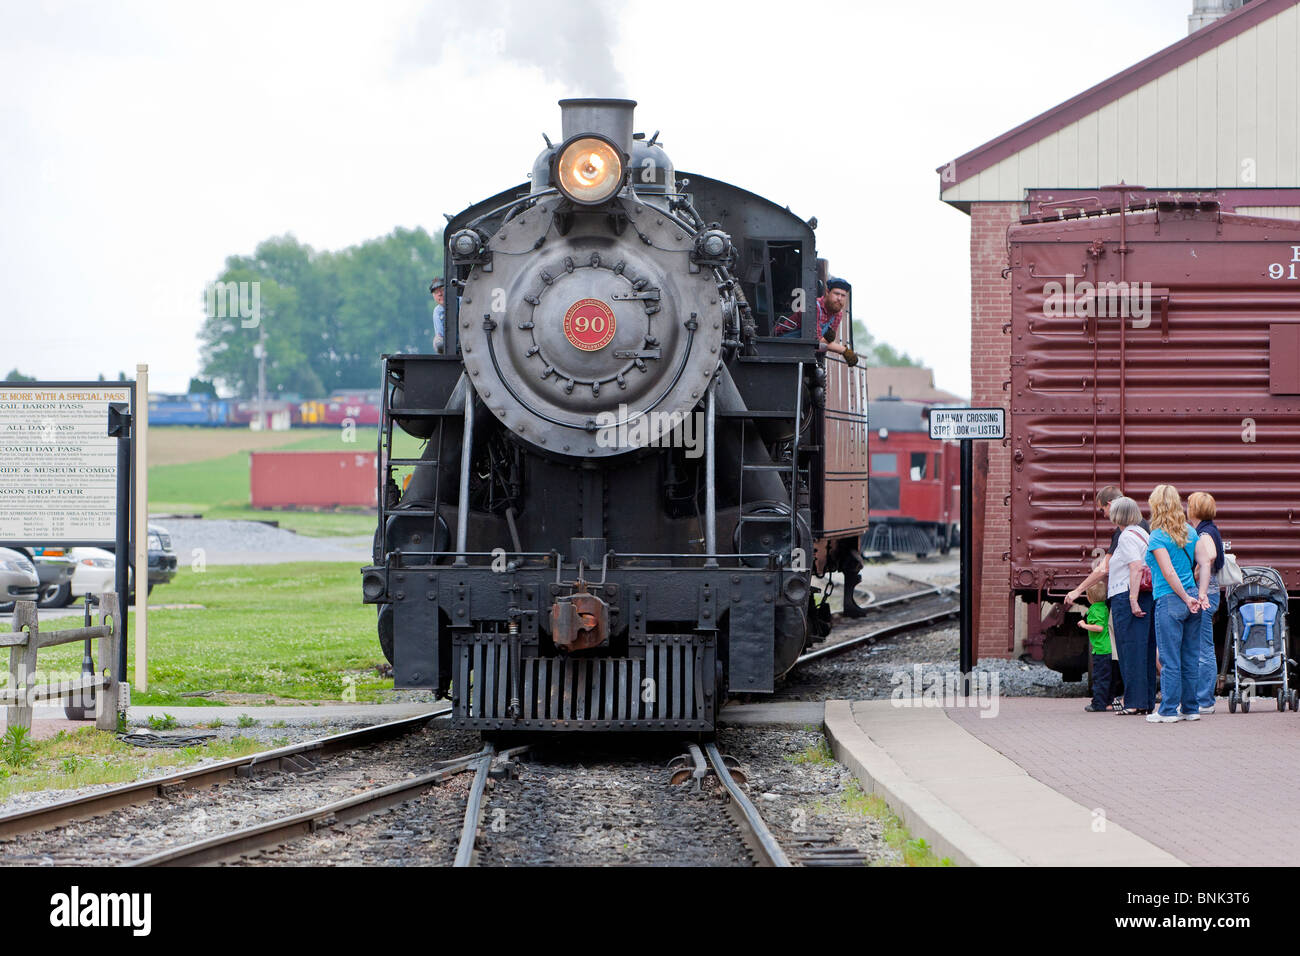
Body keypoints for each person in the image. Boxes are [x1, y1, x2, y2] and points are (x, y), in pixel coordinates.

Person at [1144, 484, 1205, 723]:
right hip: (1191, 596)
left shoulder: (1158, 535)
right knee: (1190, 656)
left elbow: (1168, 572)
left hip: (1171, 598)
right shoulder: (1191, 532)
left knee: (1169, 658)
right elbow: (1204, 563)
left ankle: (1168, 710)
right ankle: (1191, 708)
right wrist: (1197, 594)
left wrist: (1184, 597)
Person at [1107, 496, 1156, 715]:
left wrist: (1132, 599)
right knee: (1143, 649)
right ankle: (1144, 701)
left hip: (1127, 595)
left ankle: (1133, 702)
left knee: (1129, 649)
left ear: (1117, 515)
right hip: (1146, 595)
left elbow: (1136, 567)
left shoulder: (1126, 536)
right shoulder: (1142, 533)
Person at [1188, 492, 1225, 714]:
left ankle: (1205, 700)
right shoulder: (1208, 530)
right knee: (1201, 646)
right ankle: (1201, 697)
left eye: (1189, 505)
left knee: (1203, 648)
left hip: (1205, 596)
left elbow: (1209, 554)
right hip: (1209, 595)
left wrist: (1197, 570)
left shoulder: (1205, 533)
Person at [773, 278, 859, 366]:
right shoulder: (813, 307)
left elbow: (825, 342)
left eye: (843, 295)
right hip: (782, 343)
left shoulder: (837, 314)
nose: (839, 298)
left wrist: (827, 341)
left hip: (804, 349)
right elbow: (815, 340)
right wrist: (844, 350)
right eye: (836, 294)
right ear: (827, 292)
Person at [1077, 580, 1113, 712]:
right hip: (1107, 648)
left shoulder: (1094, 609)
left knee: (1099, 678)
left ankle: (1098, 703)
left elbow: (1098, 627)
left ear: (1089, 597)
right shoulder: (1104, 607)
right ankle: (1108, 701)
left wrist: (1084, 625)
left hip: (1101, 650)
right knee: (1107, 677)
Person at [430, 277, 447, 353]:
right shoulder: (437, 311)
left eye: (442, 289)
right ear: (434, 296)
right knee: (438, 341)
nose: (440, 294)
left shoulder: (461, 303)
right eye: (436, 292)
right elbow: (440, 335)